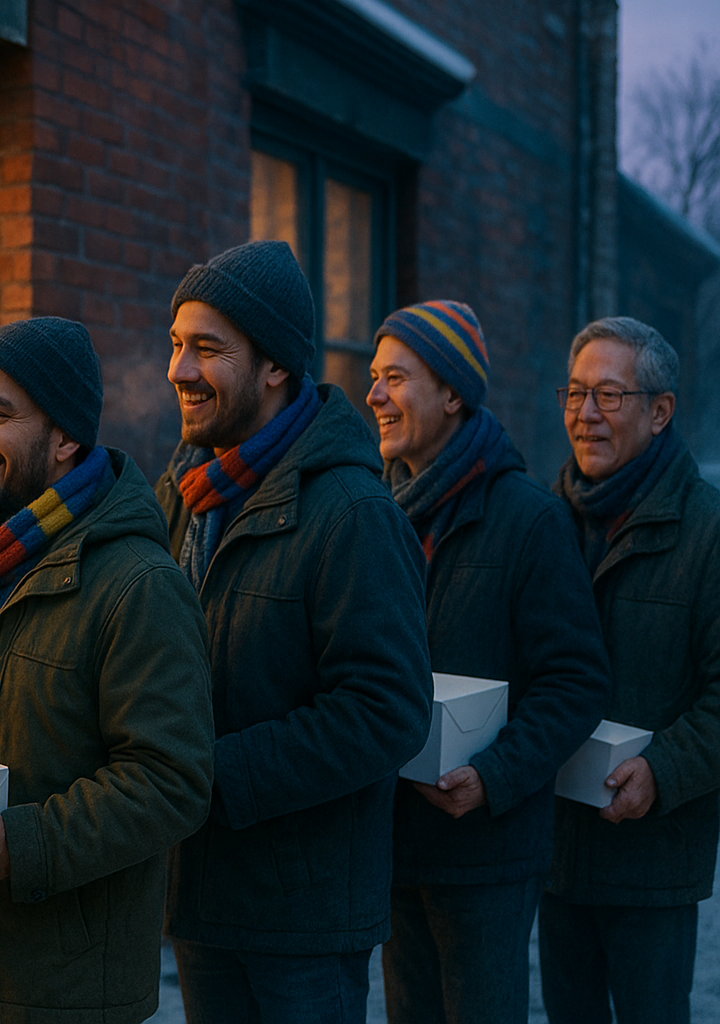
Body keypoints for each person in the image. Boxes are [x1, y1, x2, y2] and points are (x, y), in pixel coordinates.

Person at [0, 316, 215, 1024]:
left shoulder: (137, 584)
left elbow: (173, 781)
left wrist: (24, 845)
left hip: (68, 993)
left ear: (67, 437)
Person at [156, 241, 433, 1024]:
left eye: (207, 349)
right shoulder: (186, 492)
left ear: (275, 366)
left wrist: (213, 776)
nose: (179, 369)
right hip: (204, 892)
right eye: (176, 345)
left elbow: (387, 712)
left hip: (303, 922)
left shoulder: (352, 511)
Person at [365, 300, 610, 1024]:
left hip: (488, 853)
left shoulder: (529, 519)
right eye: (374, 377)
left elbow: (576, 680)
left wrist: (493, 775)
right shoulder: (374, 510)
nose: (374, 394)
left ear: (452, 393)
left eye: (395, 377)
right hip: (396, 840)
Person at [539, 316, 720, 1024]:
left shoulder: (706, 532)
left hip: (653, 861)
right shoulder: (543, 518)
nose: (585, 415)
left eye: (608, 396)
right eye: (575, 393)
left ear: (660, 411)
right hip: (555, 853)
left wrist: (663, 771)